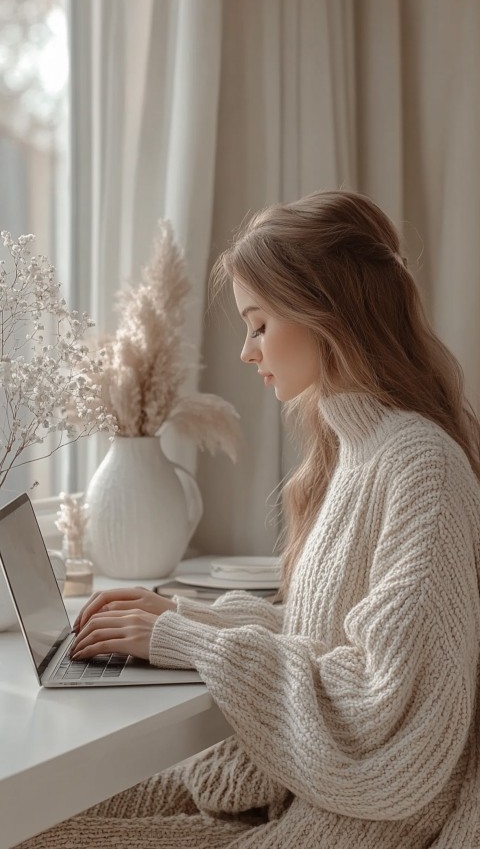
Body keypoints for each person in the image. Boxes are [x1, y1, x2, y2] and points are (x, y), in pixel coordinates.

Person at [19, 190, 480, 849]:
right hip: (306, 799)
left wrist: (187, 640)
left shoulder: (419, 465)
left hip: (353, 827)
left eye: (258, 323)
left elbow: (389, 713)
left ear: (327, 312)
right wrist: (179, 618)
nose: (246, 349)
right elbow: (324, 638)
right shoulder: (354, 453)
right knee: (34, 813)